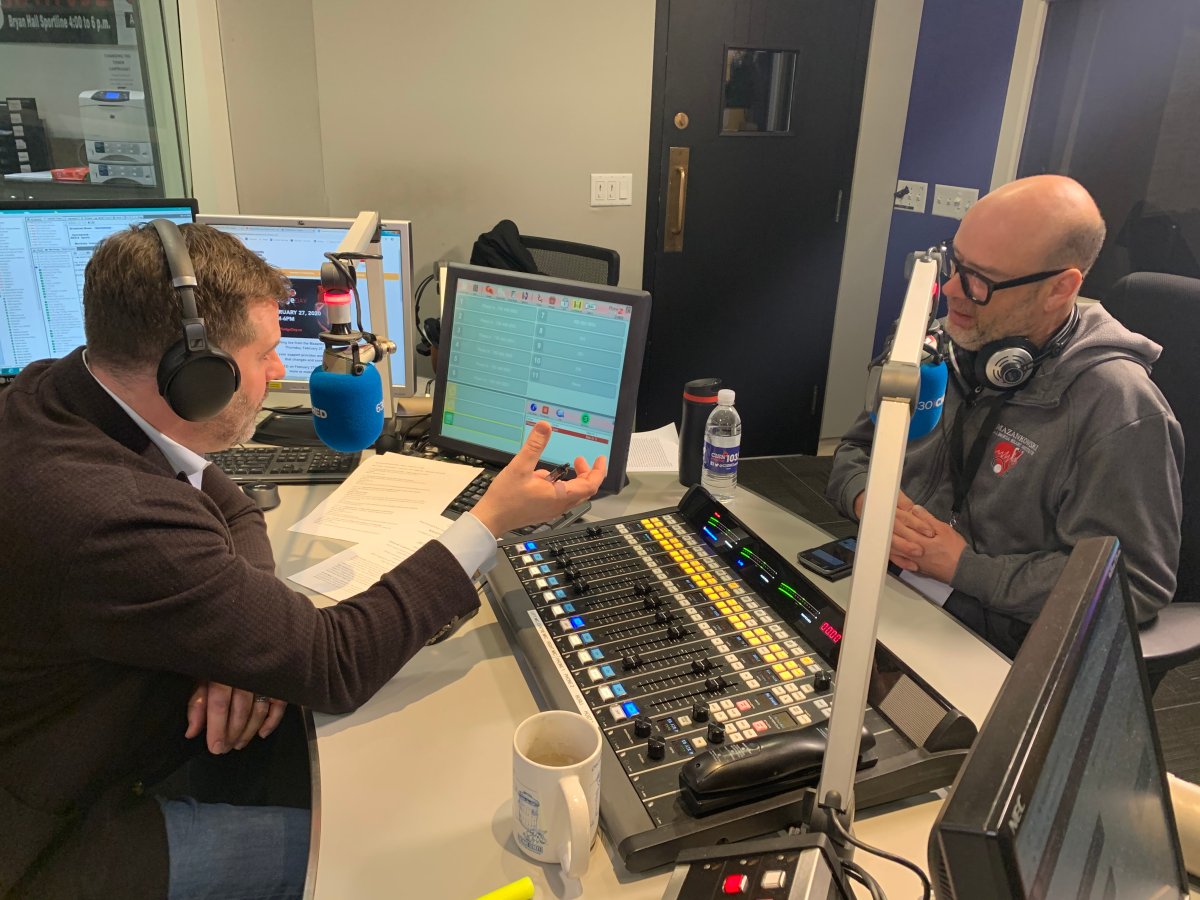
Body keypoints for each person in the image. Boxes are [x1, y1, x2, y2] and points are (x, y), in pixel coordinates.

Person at [0, 223, 606, 899]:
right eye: (263, 356)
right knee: (363, 859)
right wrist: (490, 520)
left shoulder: (60, 389)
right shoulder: (104, 512)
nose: (281, 372)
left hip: (82, 740)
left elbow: (228, 501)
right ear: (195, 378)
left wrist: (244, 632)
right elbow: (332, 661)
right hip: (57, 833)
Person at [826, 175, 1183, 657]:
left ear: (1060, 289)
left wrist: (962, 567)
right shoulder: (943, 346)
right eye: (954, 262)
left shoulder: (1118, 406)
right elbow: (854, 451)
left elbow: (1131, 585)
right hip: (886, 587)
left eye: (981, 280)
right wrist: (867, 499)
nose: (951, 289)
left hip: (994, 639)